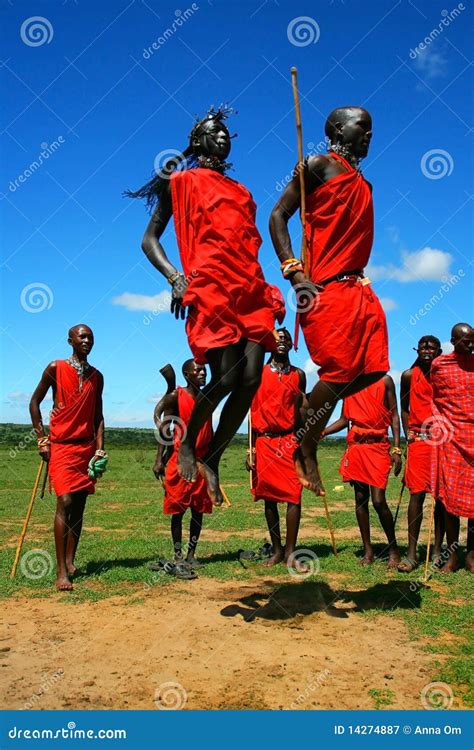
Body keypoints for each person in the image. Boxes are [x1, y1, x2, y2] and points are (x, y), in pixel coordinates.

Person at [127, 106, 283, 507]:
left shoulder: (242, 192)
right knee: (227, 379)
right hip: (211, 287)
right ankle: (188, 449)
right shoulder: (179, 182)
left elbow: (247, 245)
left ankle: (213, 455)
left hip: (248, 286)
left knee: (251, 378)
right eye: (214, 132)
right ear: (197, 141)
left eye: (227, 132)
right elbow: (149, 240)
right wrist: (176, 279)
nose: (223, 137)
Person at [270, 106, 388, 498]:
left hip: (360, 288)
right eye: (363, 126)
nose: (369, 133)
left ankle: (307, 420)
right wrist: (295, 271)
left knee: (373, 370)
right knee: (338, 370)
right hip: (324, 287)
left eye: (371, 128)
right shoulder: (319, 165)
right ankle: (305, 441)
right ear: (339, 129)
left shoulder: (364, 182)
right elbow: (277, 217)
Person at [29, 325, 105, 591]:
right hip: (61, 446)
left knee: (80, 505)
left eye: (90, 337)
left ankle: (71, 561)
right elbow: (34, 402)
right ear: (70, 340)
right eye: (82, 336)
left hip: (86, 449)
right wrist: (42, 438)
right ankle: (61, 572)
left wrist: (100, 449)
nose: (87, 340)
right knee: (65, 500)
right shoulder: (55, 368)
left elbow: (98, 417)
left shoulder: (97, 376)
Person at [323, 376, 402, 568]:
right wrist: (322, 432)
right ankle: (368, 551)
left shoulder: (385, 381)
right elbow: (344, 419)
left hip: (378, 447)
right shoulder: (349, 383)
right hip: (357, 448)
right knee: (360, 498)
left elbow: (394, 416)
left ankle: (393, 549)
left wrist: (397, 449)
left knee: (378, 500)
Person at [247, 329, 307, 571]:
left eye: (286, 339)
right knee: (270, 498)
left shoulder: (299, 375)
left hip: (290, 440)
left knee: (295, 495)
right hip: (264, 441)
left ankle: (292, 552)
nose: (281, 342)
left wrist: (305, 444)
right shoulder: (258, 373)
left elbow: (301, 410)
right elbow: (250, 412)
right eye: (277, 339)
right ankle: (277, 548)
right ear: (270, 344)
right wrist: (250, 448)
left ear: (292, 344)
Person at [151, 359, 213, 576]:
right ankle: (178, 554)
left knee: (199, 509)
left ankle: (191, 554)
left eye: (204, 369)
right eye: (197, 370)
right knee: (177, 510)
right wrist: (159, 459)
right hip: (179, 460)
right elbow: (165, 429)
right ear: (187, 375)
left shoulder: (207, 397)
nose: (203, 373)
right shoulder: (177, 396)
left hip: (202, 460)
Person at [398, 336, 444, 573]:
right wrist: (408, 433)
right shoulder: (408, 376)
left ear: (439, 351)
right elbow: (404, 407)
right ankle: (411, 553)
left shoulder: (445, 375)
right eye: (423, 346)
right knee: (416, 495)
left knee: (441, 499)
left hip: (442, 442)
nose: (427, 349)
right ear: (418, 349)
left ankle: (436, 550)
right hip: (418, 442)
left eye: (432, 346)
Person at [430, 323, 474, 573]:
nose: (471, 345)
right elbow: (437, 399)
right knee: (450, 502)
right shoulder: (441, 366)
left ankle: (471, 556)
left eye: (473, 341)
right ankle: (452, 555)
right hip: (452, 441)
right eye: (466, 341)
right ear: (453, 341)